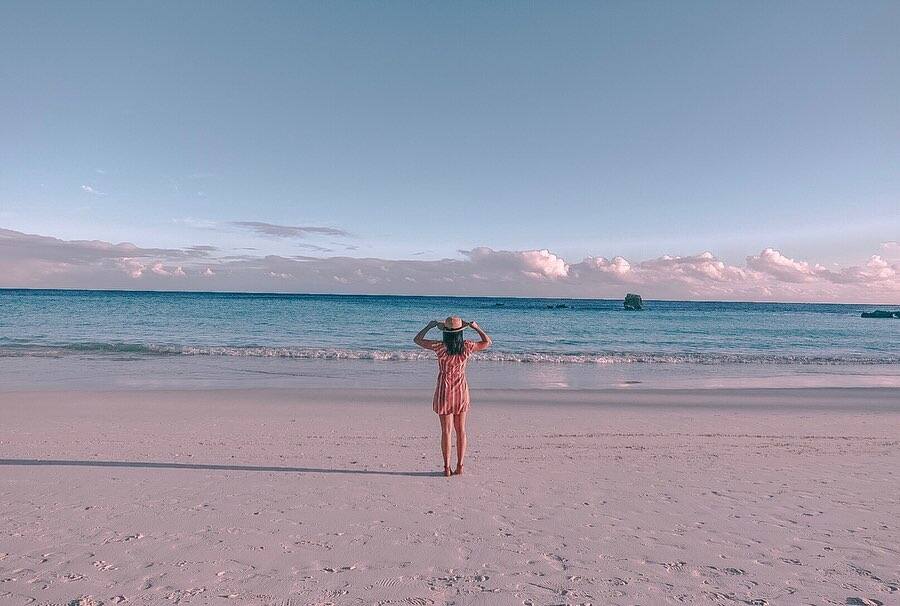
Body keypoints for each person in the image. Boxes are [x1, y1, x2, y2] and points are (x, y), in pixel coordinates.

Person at [413, 316, 492, 477]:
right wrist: (476, 327)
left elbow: (417, 339)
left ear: (445, 332)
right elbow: (487, 342)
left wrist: (429, 326)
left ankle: (446, 467)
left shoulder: (440, 347)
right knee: (461, 430)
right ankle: (460, 465)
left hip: (444, 391)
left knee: (446, 431)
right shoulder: (466, 347)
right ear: (460, 332)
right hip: (461, 391)